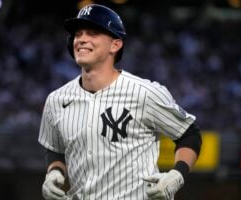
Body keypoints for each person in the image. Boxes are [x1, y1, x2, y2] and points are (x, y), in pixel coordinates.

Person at [38, 3, 202, 200]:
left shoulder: (144, 93)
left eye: (92, 33)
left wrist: (178, 174)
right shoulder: (56, 100)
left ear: (115, 44)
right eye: (78, 33)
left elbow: (189, 134)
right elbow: (55, 149)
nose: (81, 39)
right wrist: (54, 172)